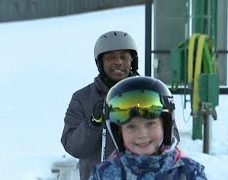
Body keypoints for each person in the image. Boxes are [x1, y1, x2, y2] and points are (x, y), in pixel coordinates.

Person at [60, 30, 180, 180]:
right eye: (111, 58)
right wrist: (93, 122)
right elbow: (74, 148)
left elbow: (172, 137)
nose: (118, 62)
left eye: (124, 57)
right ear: (100, 63)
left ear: (132, 61)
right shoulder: (82, 98)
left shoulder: (150, 93)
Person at [89, 76, 207, 180]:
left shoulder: (189, 172)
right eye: (131, 126)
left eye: (150, 124)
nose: (142, 134)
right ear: (118, 132)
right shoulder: (103, 175)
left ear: (165, 125)